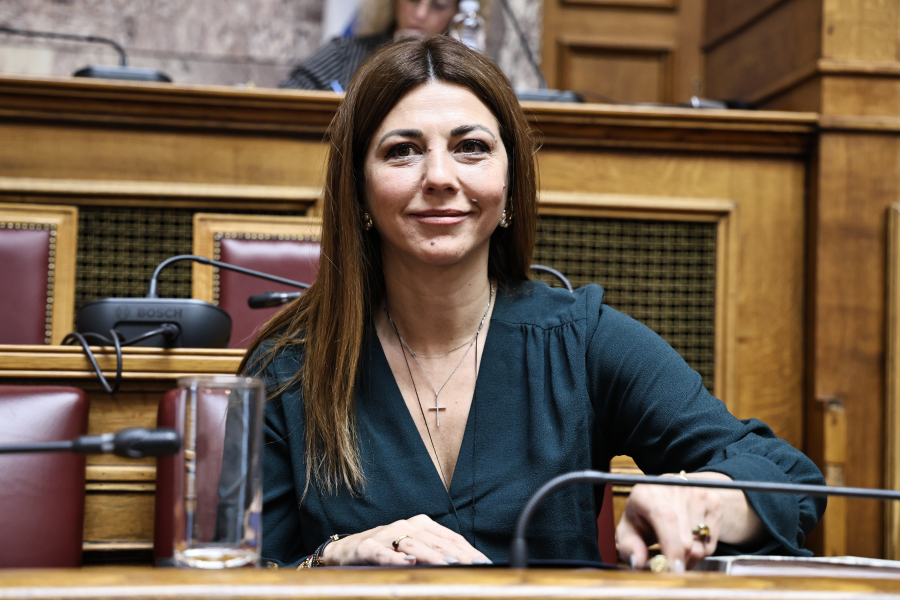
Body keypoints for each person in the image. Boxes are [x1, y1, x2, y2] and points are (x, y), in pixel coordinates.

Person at [243, 35, 826, 570]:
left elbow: (790, 479)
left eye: (472, 147)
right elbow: (236, 569)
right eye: (403, 151)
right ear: (359, 190)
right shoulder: (287, 368)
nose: (440, 175)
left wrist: (706, 502)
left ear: (510, 184)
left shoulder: (583, 341)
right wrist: (331, 558)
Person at [280, 0, 462, 91]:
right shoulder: (343, 53)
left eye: (439, 5)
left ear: (458, 13)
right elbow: (279, 106)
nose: (420, 14)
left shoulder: (460, 69)